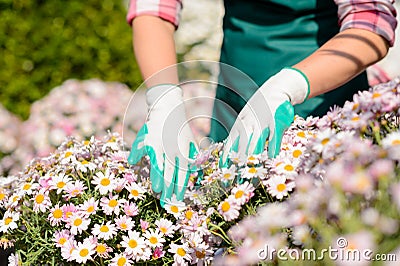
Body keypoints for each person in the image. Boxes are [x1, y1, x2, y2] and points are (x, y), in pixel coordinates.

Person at [126, 0, 397, 205]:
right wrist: (163, 98)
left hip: (321, 108)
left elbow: (369, 25)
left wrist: (287, 86)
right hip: (233, 102)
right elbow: (153, 9)